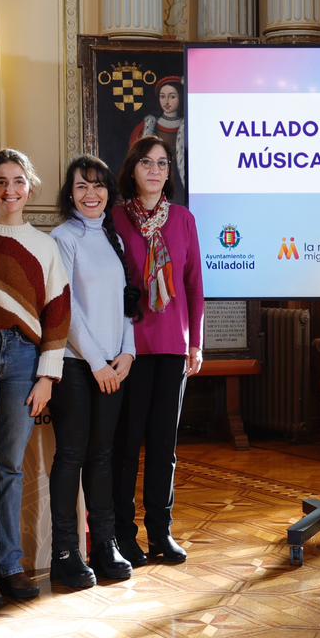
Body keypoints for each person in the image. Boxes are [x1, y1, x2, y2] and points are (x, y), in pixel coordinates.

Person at [0, 149, 71, 605]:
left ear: (30, 187)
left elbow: (58, 312)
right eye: (1, 181)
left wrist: (47, 376)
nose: (10, 190)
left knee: (9, 466)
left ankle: (10, 565)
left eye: (18, 181)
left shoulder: (44, 246)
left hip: (25, 360)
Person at [112, 136, 204, 565]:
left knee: (164, 447)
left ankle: (160, 532)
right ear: (132, 169)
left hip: (172, 346)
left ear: (169, 173)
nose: (154, 170)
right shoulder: (114, 218)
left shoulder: (183, 219)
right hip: (129, 347)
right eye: (146, 162)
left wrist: (195, 342)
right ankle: (123, 534)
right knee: (127, 446)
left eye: (162, 163)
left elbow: (194, 285)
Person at [49, 155, 139, 588]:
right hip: (75, 365)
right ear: (70, 194)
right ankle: (66, 553)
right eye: (82, 186)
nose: (91, 194)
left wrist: (128, 352)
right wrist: (98, 362)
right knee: (71, 456)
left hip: (113, 365)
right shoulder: (62, 238)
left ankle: (105, 545)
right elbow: (65, 309)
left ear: (109, 191)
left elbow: (126, 302)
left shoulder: (112, 237)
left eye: (98, 185)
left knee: (103, 457)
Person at [130, 75, 185, 166]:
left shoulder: (188, 127)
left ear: (181, 97)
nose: (166, 101)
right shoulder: (146, 126)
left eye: (172, 97)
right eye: (162, 96)